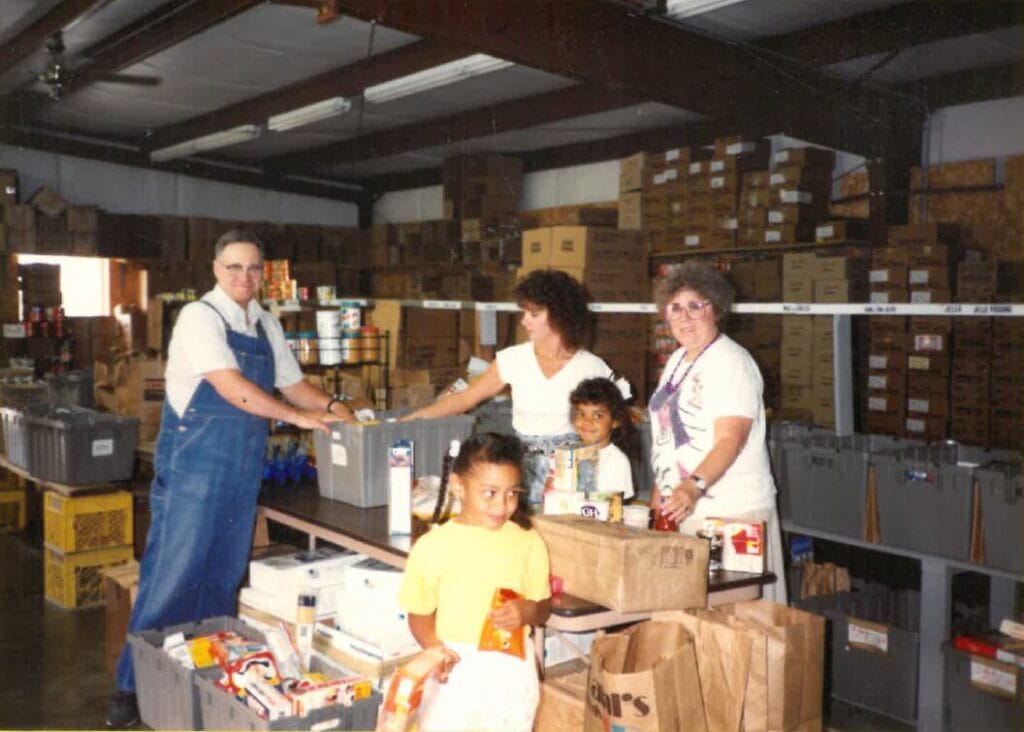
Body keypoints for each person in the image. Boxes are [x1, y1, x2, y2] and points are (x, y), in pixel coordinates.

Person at [106, 229, 355, 728]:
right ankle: (129, 693)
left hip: (241, 472)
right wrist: (296, 417)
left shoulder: (265, 323)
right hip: (194, 470)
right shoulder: (201, 317)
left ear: (264, 274)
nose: (244, 276)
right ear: (217, 270)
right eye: (234, 267)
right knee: (171, 581)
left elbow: (292, 383)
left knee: (221, 583)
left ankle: (196, 684)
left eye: (254, 268)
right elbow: (231, 387)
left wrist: (331, 406)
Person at [405, 269, 612, 504]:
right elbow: (465, 398)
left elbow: (613, 424)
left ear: (560, 315)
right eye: (524, 312)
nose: (524, 321)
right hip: (522, 474)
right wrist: (415, 418)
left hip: (573, 479)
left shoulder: (593, 367)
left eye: (534, 313)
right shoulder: (513, 359)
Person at [647, 259, 786, 604]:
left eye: (696, 306)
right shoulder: (678, 361)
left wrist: (693, 486)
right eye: (676, 308)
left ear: (717, 309)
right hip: (686, 511)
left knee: (743, 622)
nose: (684, 317)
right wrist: (658, 500)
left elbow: (730, 439)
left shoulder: (731, 362)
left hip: (732, 514)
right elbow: (667, 441)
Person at [397, 433, 551, 732]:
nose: (502, 505)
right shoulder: (432, 546)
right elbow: (419, 614)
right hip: (454, 668)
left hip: (511, 670)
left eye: (512, 493)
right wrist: (436, 650)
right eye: (490, 493)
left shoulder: (528, 541)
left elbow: (543, 607)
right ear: (458, 486)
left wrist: (526, 611)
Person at [569, 377, 637, 499]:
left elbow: (613, 507)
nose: (587, 422)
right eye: (581, 414)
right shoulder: (568, 454)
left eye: (598, 416)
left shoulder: (617, 461)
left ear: (615, 421)